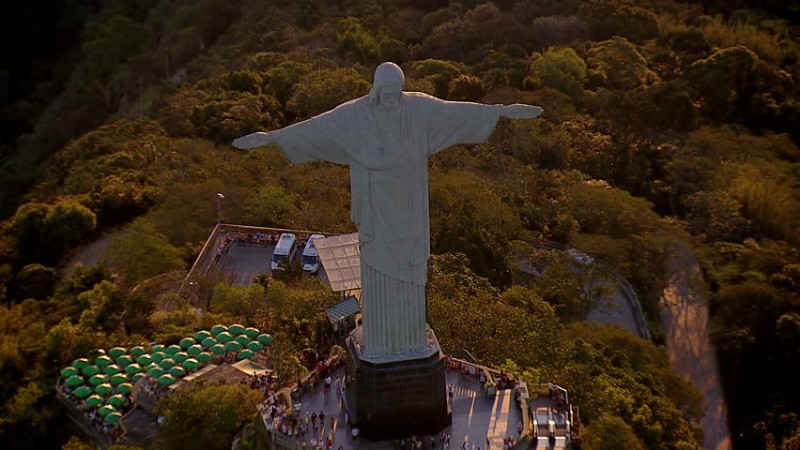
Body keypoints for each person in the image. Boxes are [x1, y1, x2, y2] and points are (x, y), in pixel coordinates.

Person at [233, 62, 542, 358]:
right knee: (377, 266)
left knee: (409, 269)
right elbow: (318, 127)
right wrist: (273, 138)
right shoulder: (355, 116)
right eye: (387, 95)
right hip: (376, 207)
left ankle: (409, 342)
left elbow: (455, 112)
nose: (393, 102)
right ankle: (381, 342)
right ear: (376, 91)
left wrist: (501, 112)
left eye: (397, 95)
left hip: (409, 207)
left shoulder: (419, 108)